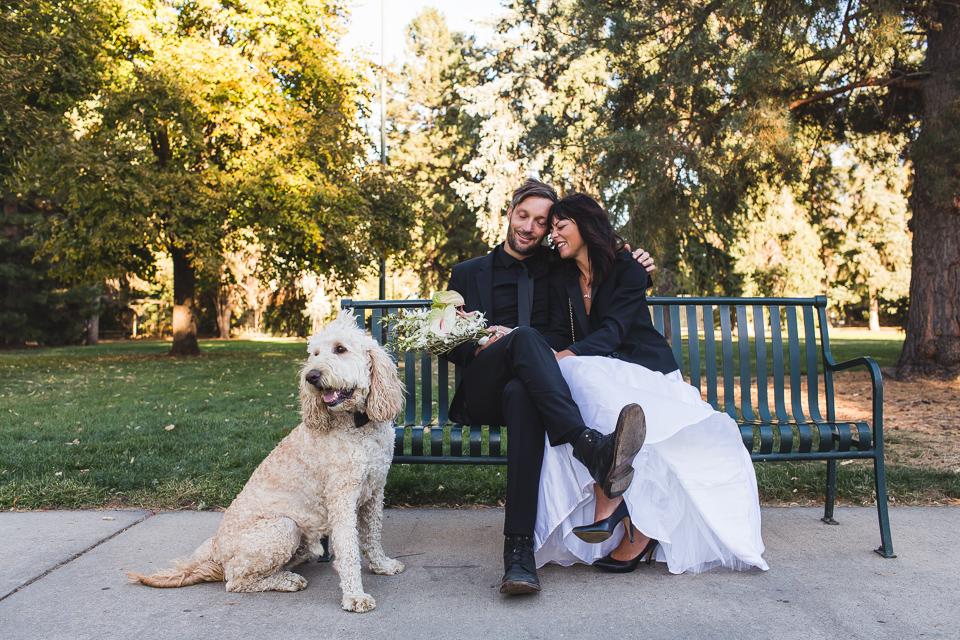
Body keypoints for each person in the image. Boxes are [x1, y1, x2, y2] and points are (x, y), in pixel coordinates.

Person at [536, 193, 768, 574]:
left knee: (574, 372)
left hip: (646, 373)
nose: (554, 236)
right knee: (573, 377)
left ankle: (610, 499)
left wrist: (567, 356)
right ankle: (615, 497)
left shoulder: (627, 268)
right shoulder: (563, 277)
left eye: (561, 226)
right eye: (553, 230)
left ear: (586, 225)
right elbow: (558, 325)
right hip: (603, 374)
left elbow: (613, 332)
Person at [441, 179, 653, 595]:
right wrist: (484, 339)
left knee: (523, 389)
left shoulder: (557, 268)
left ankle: (519, 556)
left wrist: (634, 257)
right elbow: (448, 343)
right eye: (524, 216)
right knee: (521, 337)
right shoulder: (467, 273)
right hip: (485, 387)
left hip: (534, 391)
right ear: (509, 214)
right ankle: (589, 445)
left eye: (542, 222)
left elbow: (598, 270)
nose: (531, 228)